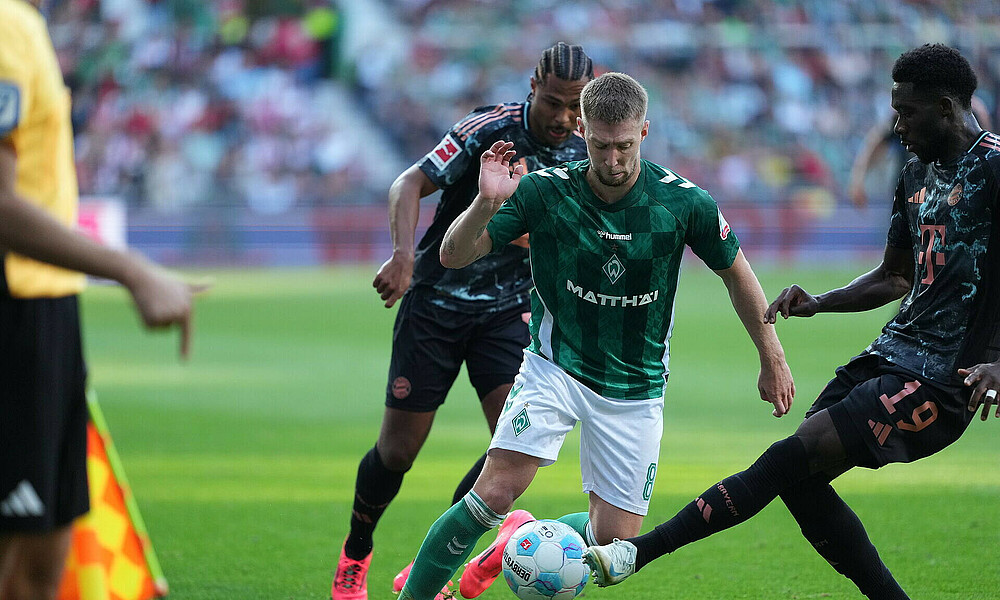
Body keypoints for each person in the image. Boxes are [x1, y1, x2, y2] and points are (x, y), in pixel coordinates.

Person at [584, 44, 1000, 600]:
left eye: (906, 112)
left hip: (945, 377)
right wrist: (819, 302)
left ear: (946, 108)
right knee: (800, 481)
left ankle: (637, 553)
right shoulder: (915, 172)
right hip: (892, 352)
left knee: (788, 459)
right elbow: (895, 276)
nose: (896, 126)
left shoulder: (994, 167)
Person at [396, 71, 795, 600]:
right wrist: (485, 203)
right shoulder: (543, 191)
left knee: (614, 544)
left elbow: (738, 274)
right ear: (582, 131)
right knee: (493, 491)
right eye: (601, 145)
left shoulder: (684, 203)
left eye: (624, 146)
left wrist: (772, 357)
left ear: (644, 132)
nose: (612, 160)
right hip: (554, 366)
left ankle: (512, 543)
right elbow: (453, 255)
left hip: (635, 385)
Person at [331, 42, 597, 600]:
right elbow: (409, 183)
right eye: (554, 102)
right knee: (397, 452)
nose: (564, 117)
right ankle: (356, 553)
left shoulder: (585, 151)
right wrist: (403, 256)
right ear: (533, 87)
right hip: (436, 302)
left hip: (508, 311)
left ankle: (434, 566)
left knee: (515, 446)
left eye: (575, 107)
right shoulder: (487, 130)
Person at [0, 1, 205, 599]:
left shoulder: (24, 23)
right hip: (17, 312)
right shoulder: (7, 25)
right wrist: (130, 270)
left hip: (47, 311)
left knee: (42, 557)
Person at [847, 95, 992, 208]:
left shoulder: (972, 111)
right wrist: (858, 180)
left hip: (957, 188)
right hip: (914, 191)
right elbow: (878, 141)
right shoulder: (907, 108)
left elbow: (985, 148)